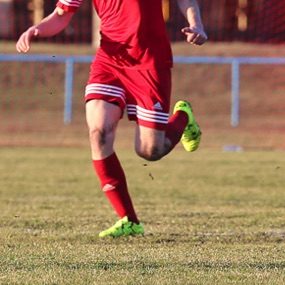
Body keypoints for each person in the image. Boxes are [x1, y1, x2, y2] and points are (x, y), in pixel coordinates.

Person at [16, 0, 207, 237]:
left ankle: (182, 116)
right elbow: (61, 15)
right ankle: (129, 220)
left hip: (149, 61)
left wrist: (196, 24)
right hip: (110, 62)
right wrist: (36, 30)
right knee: (99, 131)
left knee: (150, 150)